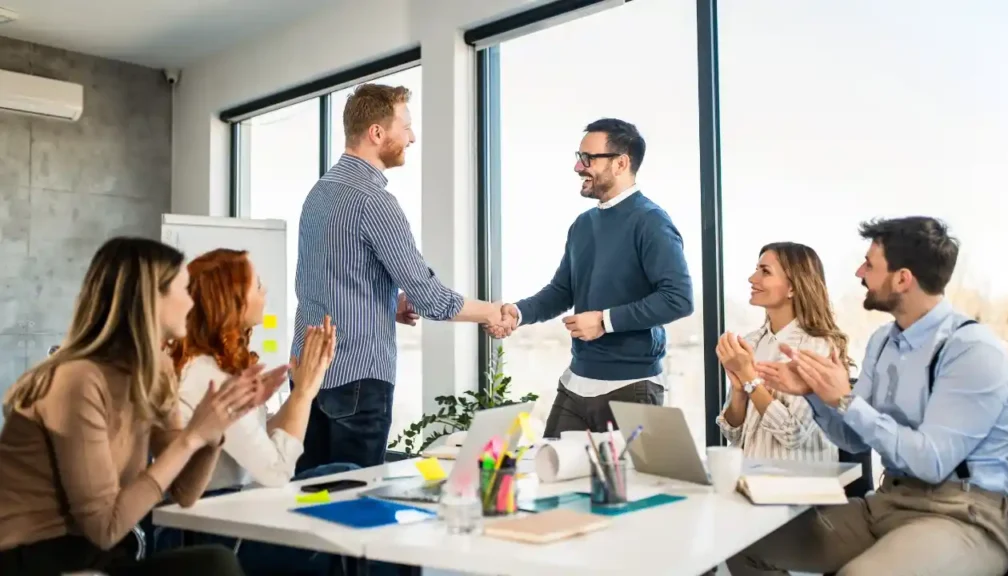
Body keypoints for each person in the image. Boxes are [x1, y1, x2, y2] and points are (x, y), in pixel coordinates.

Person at [729, 216, 1008, 576]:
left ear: (902, 279)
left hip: (961, 517)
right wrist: (817, 396)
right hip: (886, 503)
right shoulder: (883, 342)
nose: (858, 273)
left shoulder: (972, 350)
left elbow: (931, 462)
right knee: (745, 547)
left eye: (869, 264)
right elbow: (852, 436)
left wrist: (845, 400)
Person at [0, 236, 282, 576]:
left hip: (97, 557)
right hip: (35, 559)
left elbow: (185, 492)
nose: (193, 303)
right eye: (183, 290)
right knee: (213, 566)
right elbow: (104, 527)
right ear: (150, 299)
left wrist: (218, 426)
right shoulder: (77, 381)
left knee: (214, 562)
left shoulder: (156, 370)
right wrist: (191, 438)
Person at [293, 83, 504, 471]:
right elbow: (431, 299)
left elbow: (326, 286)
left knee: (309, 500)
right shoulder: (374, 201)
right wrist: (491, 312)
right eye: (405, 126)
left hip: (307, 376)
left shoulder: (319, 194)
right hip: (357, 379)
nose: (412, 136)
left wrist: (389, 303)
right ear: (377, 133)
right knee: (354, 508)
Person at [493, 118, 694, 437]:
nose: (577, 166)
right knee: (551, 480)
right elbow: (561, 291)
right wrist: (517, 313)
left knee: (629, 488)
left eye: (588, 158)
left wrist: (604, 321)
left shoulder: (651, 222)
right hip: (576, 383)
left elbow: (678, 299)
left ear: (620, 163)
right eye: (578, 156)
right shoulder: (582, 225)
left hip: (632, 388)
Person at [164, 248, 356, 576]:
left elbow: (260, 439)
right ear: (231, 302)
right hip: (217, 526)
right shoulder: (206, 375)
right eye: (257, 287)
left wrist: (302, 390)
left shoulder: (217, 364)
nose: (265, 292)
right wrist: (304, 394)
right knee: (347, 546)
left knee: (346, 474)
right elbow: (276, 471)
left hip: (242, 502)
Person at [715, 242, 850, 461]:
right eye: (756, 269)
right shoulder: (751, 343)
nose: (752, 278)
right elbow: (733, 434)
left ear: (793, 287)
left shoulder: (818, 346)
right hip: (754, 480)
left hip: (799, 485)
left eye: (765, 272)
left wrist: (749, 377)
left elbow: (792, 433)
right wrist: (740, 391)